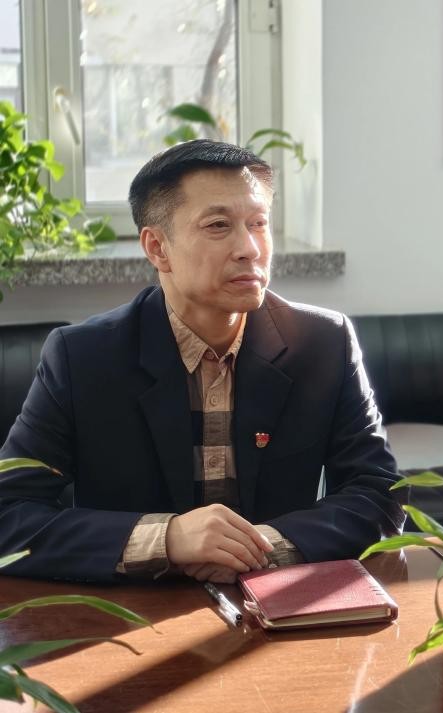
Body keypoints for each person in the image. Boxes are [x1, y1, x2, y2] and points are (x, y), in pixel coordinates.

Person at [0, 140, 404, 583]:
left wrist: (260, 547)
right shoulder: (82, 357)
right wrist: (167, 539)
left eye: (259, 223)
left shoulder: (324, 342)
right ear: (158, 248)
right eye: (218, 225)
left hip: (276, 602)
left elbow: (380, 494)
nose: (249, 248)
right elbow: (9, 513)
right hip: (134, 609)